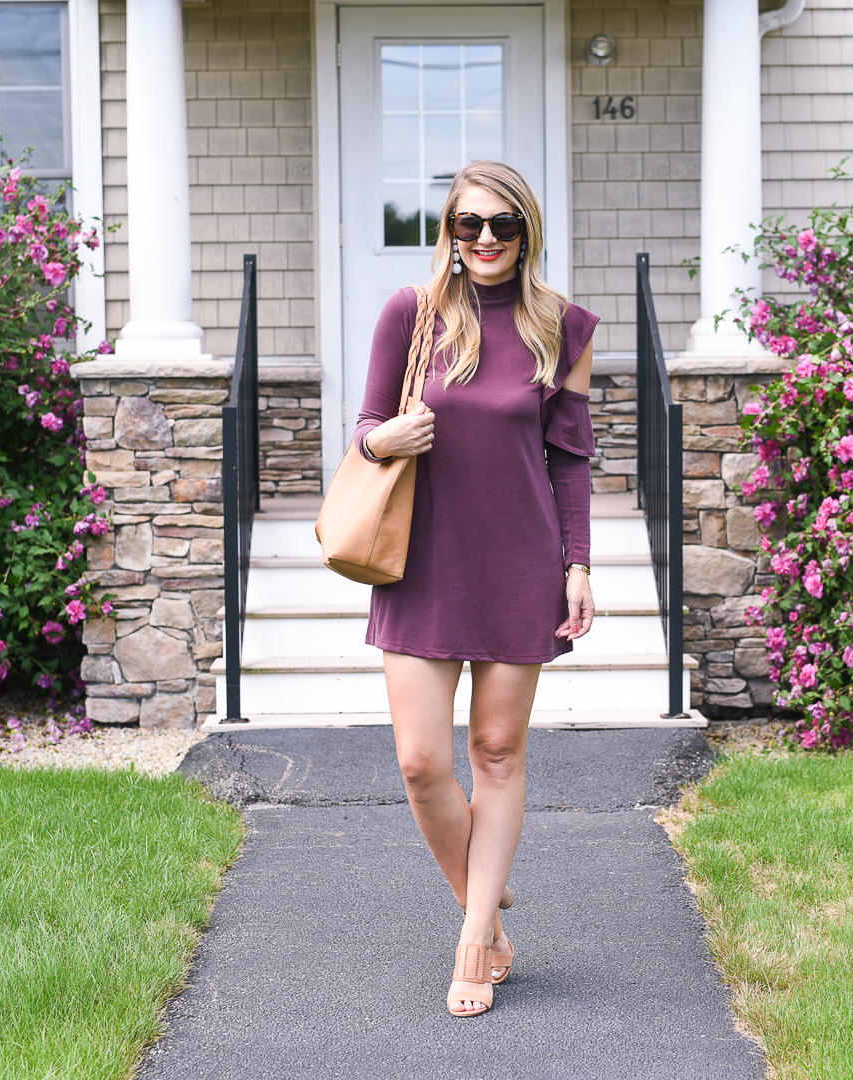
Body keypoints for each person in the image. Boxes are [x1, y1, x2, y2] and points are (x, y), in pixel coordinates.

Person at [353, 160, 598, 1017]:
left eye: (503, 226)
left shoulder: (560, 327)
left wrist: (577, 563)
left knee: (495, 754)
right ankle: (488, 905)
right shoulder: (410, 314)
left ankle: (471, 940)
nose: (486, 240)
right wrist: (390, 438)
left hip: (519, 561)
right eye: (469, 225)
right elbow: (363, 429)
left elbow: (569, 460)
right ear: (448, 235)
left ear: (527, 232)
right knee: (421, 763)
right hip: (420, 560)